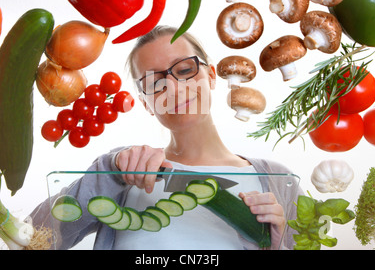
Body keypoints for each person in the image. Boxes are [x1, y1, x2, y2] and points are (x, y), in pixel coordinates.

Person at [29, 25, 303, 250]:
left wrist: (277, 247)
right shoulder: (127, 168)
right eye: (154, 83)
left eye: (184, 70)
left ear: (210, 77)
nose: (172, 88)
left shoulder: (280, 181)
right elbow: (28, 241)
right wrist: (110, 172)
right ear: (146, 103)